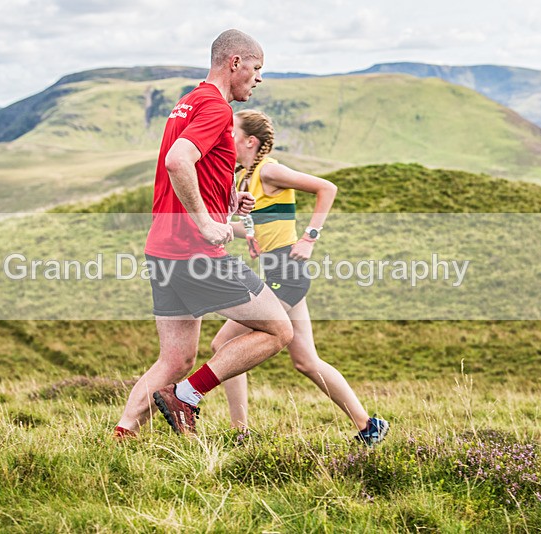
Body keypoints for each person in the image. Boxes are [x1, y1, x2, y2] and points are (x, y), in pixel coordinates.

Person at [114, 30, 294, 438]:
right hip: (194, 252)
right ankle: (186, 396)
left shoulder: (188, 102)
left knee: (175, 359)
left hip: (163, 248)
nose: (259, 78)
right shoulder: (215, 107)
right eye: (257, 68)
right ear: (235, 63)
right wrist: (205, 222)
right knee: (279, 329)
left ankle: (122, 435)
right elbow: (178, 161)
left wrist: (225, 203)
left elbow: (192, 168)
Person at [212, 109, 390, 445]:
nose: (225, 137)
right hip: (281, 272)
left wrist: (310, 237)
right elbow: (263, 223)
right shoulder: (244, 178)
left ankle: (240, 433)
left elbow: (327, 188)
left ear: (250, 141)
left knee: (223, 344)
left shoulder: (270, 171)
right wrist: (239, 233)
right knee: (306, 361)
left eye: (231, 132)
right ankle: (369, 426)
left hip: (287, 272)